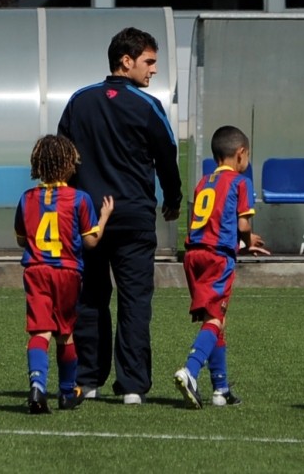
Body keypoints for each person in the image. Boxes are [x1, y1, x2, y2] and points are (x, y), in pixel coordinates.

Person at [55, 25, 182, 405]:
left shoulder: (79, 101)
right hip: (133, 218)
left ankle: (88, 381)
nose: (153, 70)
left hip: (89, 218)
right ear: (126, 62)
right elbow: (167, 155)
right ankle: (131, 386)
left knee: (90, 298)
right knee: (135, 300)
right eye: (149, 61)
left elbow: (63, 157)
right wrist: (172, 198)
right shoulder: (147, 106)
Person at [15, 134, 113, 415]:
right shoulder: (79, 199)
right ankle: (68, 392)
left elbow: (22, 240)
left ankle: (37, 385)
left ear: (38, 165)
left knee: (39, 330)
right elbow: (92, 241)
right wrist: (104, 216)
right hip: (67, 272)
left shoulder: (27, 199)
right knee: (65, 333)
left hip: (35, 270)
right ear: (69, 164)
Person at [173, 124, 268, 409]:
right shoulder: (241, 182)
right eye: (247, 155)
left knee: (214, 320)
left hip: (193, 255)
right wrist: (249, 239)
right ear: (240, 154)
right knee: (215, 318)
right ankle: (190, 370)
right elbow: (242, 223)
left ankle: (221, 388)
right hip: (217, 256)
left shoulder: (204, 182)